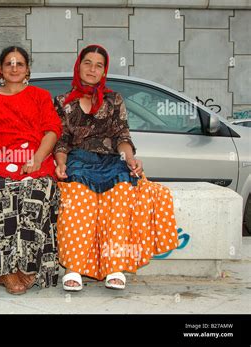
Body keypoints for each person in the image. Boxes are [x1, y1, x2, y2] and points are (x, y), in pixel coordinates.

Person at [54, 44, 179, 291]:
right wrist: (61, 164)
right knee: (79, 199)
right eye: (87, 62)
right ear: (78, 66)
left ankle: (115, 265)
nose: (92, 68)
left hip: (113, 161)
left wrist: (129, 159)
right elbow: (62, 140)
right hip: (79, 160)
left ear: (104, 71)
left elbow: (122, 136)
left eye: (99, 65)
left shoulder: (114, 99)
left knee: (121, 197)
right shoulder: (62, 102)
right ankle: (74, 267)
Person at [0, 46, 63, 295]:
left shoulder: (40, 95)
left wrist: (38, 159)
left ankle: (27, 267)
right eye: (9, 63)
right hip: (4, 159)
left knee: (34, 192)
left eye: (20, 63)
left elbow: (52, 130)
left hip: (37, 158)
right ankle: (4, 269)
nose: (15, 68)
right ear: (1, 68)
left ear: (28, 68)